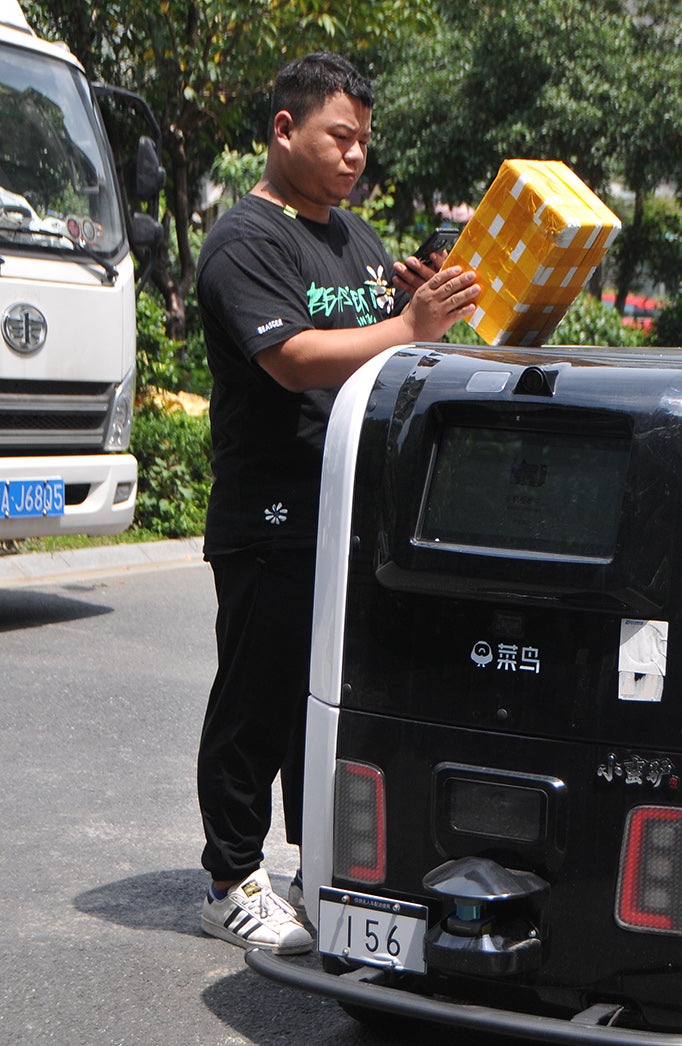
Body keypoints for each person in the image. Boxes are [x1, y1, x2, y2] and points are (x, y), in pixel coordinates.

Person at [194, 52, 479, 954]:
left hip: (348, 511)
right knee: (259, 696)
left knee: (334, 698)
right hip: (270, 511)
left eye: (363, 141)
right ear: (285, 131)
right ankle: (229, 877)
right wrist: (406, 327)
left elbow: (373, 348)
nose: (355, 156)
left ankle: (320, 865)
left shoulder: (353, 238)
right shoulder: (247, 239)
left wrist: (405, 306)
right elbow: (292, 358)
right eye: (338, 137)